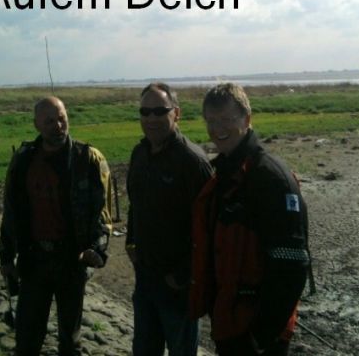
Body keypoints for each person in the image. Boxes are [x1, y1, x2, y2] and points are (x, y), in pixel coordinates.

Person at [190, 83, 310, 356]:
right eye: (211, 120)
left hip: (257, 333)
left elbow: (293, 264)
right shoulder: (224, 175)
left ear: (247, 119)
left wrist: (261, 337)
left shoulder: (270, 178)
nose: (218, 128)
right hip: (228, 320)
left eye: (227, 119)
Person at [0, 96, 112, 356]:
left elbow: (102, 214)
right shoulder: (23, 160)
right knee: (27, 338)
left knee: (70, 341)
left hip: (71, 261)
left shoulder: (88, 159)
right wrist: (6, 255)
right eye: (49, 121)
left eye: (62, 119)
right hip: (33, 259)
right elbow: (11, 211)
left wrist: (97, 249)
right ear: (36, 125)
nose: (58, 126)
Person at [126, 82, 214, 356]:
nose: (151, 118)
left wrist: (184, 274)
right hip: (145, 278)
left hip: (177, 286)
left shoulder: (192, 161)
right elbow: (135, 205)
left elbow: (210, 227)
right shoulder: (140, 154)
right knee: (144, 349)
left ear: (176, 113)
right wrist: (131, 242)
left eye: (159, 111)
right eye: (145, 112)